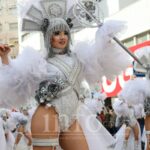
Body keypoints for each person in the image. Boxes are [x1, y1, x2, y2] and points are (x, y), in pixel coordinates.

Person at [0, 0, 131, 149]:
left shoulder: (79, 57)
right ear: (49, 36)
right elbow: (17, 81)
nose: (62, 37)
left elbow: (101, 60)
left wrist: (105, 38)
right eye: (56, 33)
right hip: (46, 114)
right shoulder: (38, 61)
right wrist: (5, 59)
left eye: (65, 33)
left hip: (72, 118)